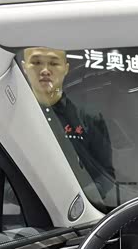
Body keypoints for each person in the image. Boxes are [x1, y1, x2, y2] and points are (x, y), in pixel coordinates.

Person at [21, 47, 115, 200]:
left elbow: (106, 176)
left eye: (54, 63)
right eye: (36, 62)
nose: (45, 70)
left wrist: (78, 199)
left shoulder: (89, 117)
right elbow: (2, 185)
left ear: (66, 68)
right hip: (30, 211)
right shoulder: (14, 120)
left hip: (85, 210)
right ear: (25, 67)